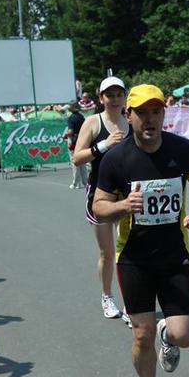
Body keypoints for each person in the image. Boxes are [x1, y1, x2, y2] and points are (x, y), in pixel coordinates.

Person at [91, 84, 189, 377]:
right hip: (134, 259)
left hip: (174, 256)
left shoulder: (182, 150)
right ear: (128, 115)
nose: (150, 119)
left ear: (164, 114)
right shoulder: (116, 159)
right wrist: (123, 206)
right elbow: (99, 206)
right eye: (142, 112)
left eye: (156, 111)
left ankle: (167, 334)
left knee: (184, 336)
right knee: (142, 335)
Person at [72, 76, 132, 324]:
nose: (115, 100)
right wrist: (104, 145)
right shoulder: (93, 122)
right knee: (107, 252)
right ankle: (107, 296)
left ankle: (131, 303)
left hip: (127, 195)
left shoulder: (131, 122)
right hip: (100, 194)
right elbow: (77, 158)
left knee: (128, 251)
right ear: (101, 98)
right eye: (110, 95)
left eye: (119, 95)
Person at [64, 101, 88, 189]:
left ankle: (76, 183)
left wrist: (65, 135)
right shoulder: (82, 117)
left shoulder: (71, 118)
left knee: (74, 161)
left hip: (73, 141)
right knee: (82, 162)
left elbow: (71, 131)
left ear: (73, 107)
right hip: (82, 139)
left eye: (70, 106)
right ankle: (85, 182)